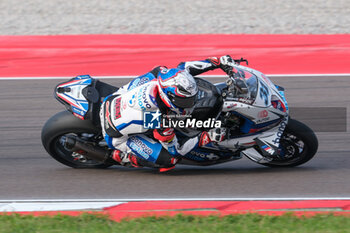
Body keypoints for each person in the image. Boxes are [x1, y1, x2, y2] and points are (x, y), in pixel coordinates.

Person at [100, 55, 240, 171]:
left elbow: (185, 67)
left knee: (152, 73)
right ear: (169, 97)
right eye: (185, 101)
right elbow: (176, 150)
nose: (191, 103)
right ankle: (122, 156)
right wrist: (206, 137)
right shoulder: (159, 119)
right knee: (169, 160)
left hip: (115, 98)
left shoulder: (162, 74)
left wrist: (216, 62)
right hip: (116, 135)